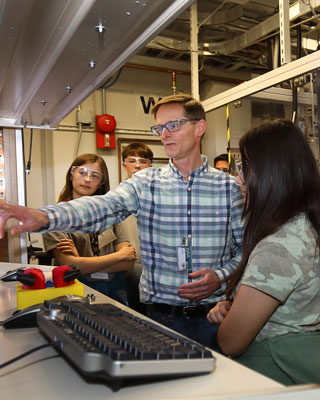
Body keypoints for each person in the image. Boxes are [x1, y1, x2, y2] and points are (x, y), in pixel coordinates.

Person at [0, 94, 244, 349]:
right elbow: (103, 207)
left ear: (199, 128)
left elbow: (245, 250)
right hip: (161, 318)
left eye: (173, 125)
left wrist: (220, 276)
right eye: (159, 128)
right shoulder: (145, 183)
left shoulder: (229, 188)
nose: (164, 134)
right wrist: (46, 216)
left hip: (214, 317)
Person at [206, 120, 320, 400]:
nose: (239, 178)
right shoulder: (308, 225)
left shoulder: (280, 245)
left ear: (271, 173)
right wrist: (237, 306)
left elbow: (231, 341)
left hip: (276, 373)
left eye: (245, 168)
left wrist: (232, 319)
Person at [43, 154, 136, 305]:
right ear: (71, 174)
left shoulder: (111, 214)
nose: (87, 179)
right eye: (82, 173)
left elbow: (128, 263)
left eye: (95, 176)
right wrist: (119, 256)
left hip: (114, 293)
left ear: (101, 182)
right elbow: (70, 265)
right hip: (74, 293)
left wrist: (81, 263)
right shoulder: (55, 217)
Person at [120, 143, 154, 312]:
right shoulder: (116, 197)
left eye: (143, 161)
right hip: (127, 267)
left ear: (150, 166)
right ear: (124, 165)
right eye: (132, 161)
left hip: (155, 269)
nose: (138, 165)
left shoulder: (159, 197)